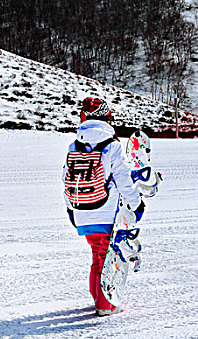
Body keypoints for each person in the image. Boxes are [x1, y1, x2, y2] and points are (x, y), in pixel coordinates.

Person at [62, 97, 144, 316]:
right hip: (106, 212)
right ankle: (105, 305)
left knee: (96, 258)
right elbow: (123, 180)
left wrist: (71, 209)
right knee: (107, 258)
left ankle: (98, 299)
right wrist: (137, 205)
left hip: (82, 211)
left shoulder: (74, 145)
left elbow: (65, 178)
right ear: (108, 118)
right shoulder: (112, 146)